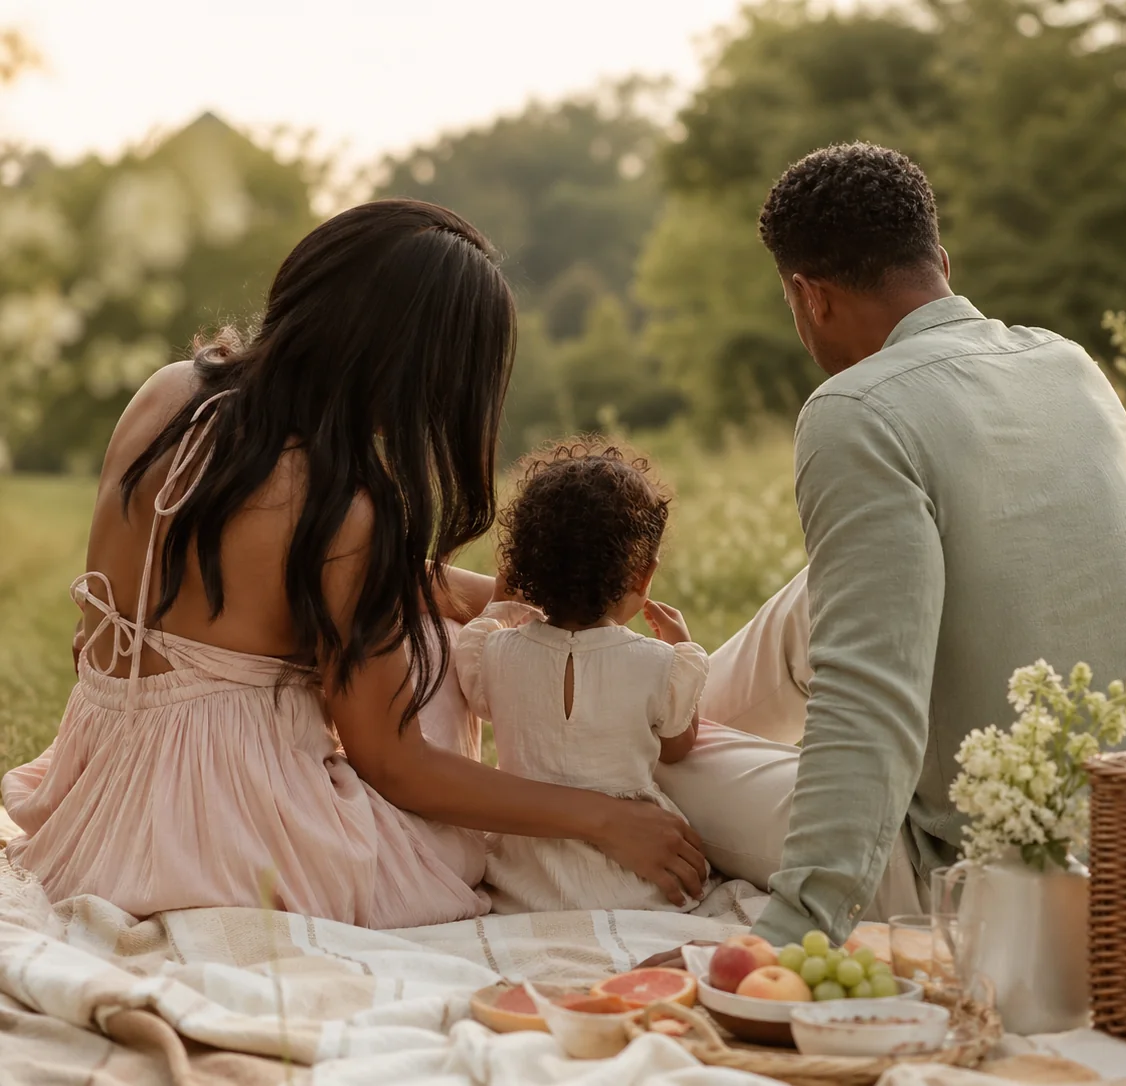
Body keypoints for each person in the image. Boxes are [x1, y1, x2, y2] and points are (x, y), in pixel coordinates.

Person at [1, 199, 707, 928]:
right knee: (431, 655)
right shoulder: (345, 507)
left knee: (431, 620)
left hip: (108, 790)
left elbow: (256, 577)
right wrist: (602, 819)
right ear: (419, 370)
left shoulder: (172, 392)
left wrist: (486, 596)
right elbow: (398, 767)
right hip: (226, 835)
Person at [654, 143, 1126, 945]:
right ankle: (675, 699)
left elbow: (868, 698)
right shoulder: (1071, 365)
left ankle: (653, 718)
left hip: (990, 871)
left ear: (810, 297)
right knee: (823, 592)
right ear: (940, 261)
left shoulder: (854, 409)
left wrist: (797, 931)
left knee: (657, 760)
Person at [454, 441, 713, 913]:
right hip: (632, 877)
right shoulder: (661, 664)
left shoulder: (491, 652)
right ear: (644, 576)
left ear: (524, 567)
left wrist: (498, 604)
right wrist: (680, 647)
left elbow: (481, 684)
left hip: (524, 879)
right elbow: (678, 745)